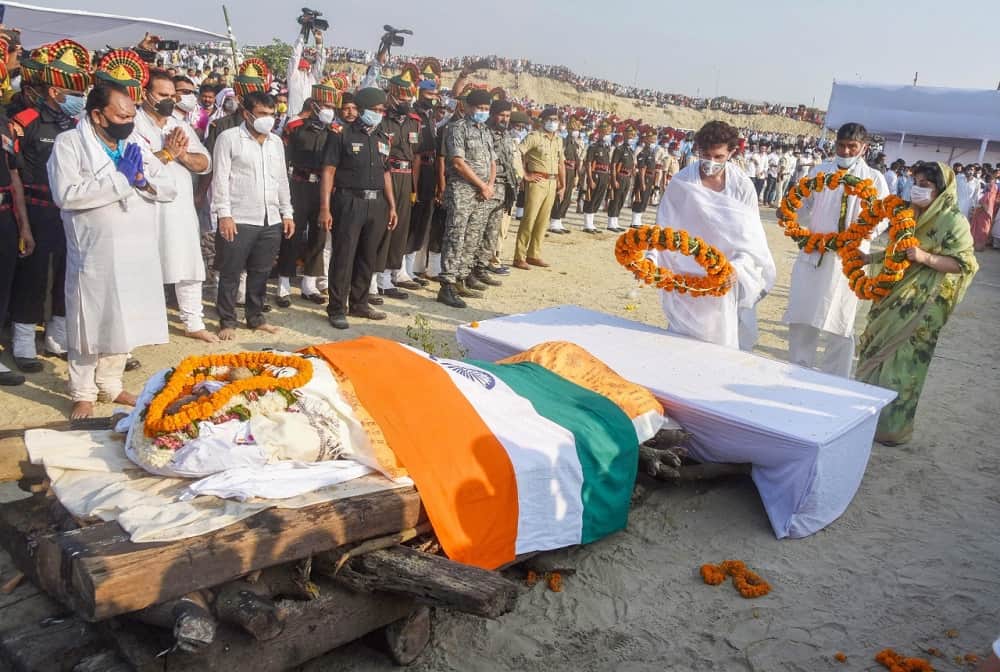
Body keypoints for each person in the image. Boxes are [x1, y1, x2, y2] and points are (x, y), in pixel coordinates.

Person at [48, 80, 178, 419]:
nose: (127, 120)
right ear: (97, 115)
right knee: (89, 321)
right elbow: (67, 194)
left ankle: (110, 383)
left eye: (131, 114)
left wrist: (142, 182)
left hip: (136, 247)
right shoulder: (69, 143)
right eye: (120, 115)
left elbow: (166, 185)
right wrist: (120, 180)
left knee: (125, 319)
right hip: (95, 249)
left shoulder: (133, 141)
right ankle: (83, 391)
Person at [856, 161, 978, 445]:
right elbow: (895, 252)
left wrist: (926, 258)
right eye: (916, 183)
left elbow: (964, 264)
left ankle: (890, 428)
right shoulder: (907, 214)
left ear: (941, 189)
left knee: (904, 365)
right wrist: (870, 259)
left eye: (926, 185)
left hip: (923, 304)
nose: (918, 189)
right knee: (875, 350)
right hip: (892, 295)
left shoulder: (953, 221)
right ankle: (862, 420)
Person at [653, 120, 775, 349]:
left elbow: (751, 241)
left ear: (731, 152)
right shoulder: (681, 182)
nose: (710, 162)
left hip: (722, 279)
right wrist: (651, 261)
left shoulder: (742, 187)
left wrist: (735, 269)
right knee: (679, 345)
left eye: (718, 156)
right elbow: (663, 230)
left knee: (718, 345)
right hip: (685, 278)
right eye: (705, 155)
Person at [8, 40, 91, 373]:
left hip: (69, 211)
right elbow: (16, 169)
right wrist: (24, 222)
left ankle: (58, 336)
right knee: (34, 274)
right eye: (73, 93)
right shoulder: (26, 120)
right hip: (36, 207)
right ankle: (24, 341)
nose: (78, 100)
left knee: (68, 274)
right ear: (56, 91)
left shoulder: (76, 125)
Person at [783, 123, 890, 377]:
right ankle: (797, 371)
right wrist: (788, 210)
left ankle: (836, 379)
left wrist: (864, 233)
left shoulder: (874, 178)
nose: (845, 150)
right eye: (841, 145)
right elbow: (802, 203)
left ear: (863, 148)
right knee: (803, 314)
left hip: (849, 259)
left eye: (852, 146)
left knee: (841, 321)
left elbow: (883, 216)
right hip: (814, 253)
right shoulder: (820, 172)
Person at [134, 68, 216, 343]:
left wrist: (181, 156)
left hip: (180, 208)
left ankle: (193, 322)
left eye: (172, 95)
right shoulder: (133, 123)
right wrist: (168, 153)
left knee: (189, 265)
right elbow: (136, 166)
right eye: (162, 95)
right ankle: (142, 328)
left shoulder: (178, 125)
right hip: (147, 207)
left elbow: (205, 163)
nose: (169, 100)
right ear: (146, 95)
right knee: (145, 267)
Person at [210, 90, 294, 340]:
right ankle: (227, 320)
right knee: (231, 270)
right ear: (246, 114)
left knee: (261, 270)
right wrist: (224, 214)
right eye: (262, 114)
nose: (268, 119)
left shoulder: (275, 142)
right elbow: (220, 179)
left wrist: (287, 212)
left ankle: (255, 317)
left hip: (271, 218)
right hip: (239, 216)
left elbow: (281, 180)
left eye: (272, 114)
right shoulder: (229, 139)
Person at [318, 87, 397, 328]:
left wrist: (392, 206)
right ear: (361, 110)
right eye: (375, 110)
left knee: (367, 255)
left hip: (377, 204)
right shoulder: (341, 134)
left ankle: (360, 303)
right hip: (349, 201)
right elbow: (328, 171)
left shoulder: (383, 137)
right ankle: (336, 307)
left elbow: (386, 173)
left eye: (382, 110)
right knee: (344, 255)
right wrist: (325, 207)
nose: (379, 114)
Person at [279, 76, 344, 307]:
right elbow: (283, 160)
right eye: (326, 106)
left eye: (332, 107)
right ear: (314, 105)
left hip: (322, 188)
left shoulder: (336, 132)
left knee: (319, 234)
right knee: (292, 234)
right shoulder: (294, 127)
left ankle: (309, 284)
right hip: (297, 184)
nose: (329, 111)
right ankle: (284, 284)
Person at [437, 87, 495, 306]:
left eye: (486, 108)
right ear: (469, 107)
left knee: (473, 236)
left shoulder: (485, 131)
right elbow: (458, 163)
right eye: (479, 108)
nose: (483, 112)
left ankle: (461, 277)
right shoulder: (456, 128)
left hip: (482, 192)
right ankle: (447, 285)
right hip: (462, 189)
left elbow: (492, 162)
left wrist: (489, 185)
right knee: (456, 235)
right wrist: (482, 185)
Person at [374, 73, 422, 300]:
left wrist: (414, 186)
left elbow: (418, 155)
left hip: (406, 176)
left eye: (408, 98)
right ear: (391, 96)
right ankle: (377, 280)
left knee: (400, 227)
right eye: (402, 98)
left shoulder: (415, 121)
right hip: (387, 173)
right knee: (384, 226)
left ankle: (391, 274)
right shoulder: (381, 119)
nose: (406, 102)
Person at [0, 99, 32, 386]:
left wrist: (23, 226)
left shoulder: (4, 124)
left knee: (2, 287)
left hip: (4, 215)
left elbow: (14, 177)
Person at [513, 107, 564, 268]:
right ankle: (519, 256)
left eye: (555, 119)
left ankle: (534, 254)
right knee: (529, 218)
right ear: (542, 120)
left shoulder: (558, 139)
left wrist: (563, 184)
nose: (553, 122)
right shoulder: (534, 137)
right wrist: (524, 174)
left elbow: (560, 162)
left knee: (543, 220)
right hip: (537, 180)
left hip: (552, 181)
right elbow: (518, 152)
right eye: (550, 119)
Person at [475, 98, 516, 289]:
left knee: (492, 234)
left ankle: (481, 268)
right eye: (502, 115)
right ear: (492, 114)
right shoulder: (484, 133)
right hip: (486, 188)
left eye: (508, 116)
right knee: (477, 232)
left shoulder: (506, 135)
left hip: (502, 190)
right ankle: (469, 271)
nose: (505, 119)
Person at [549, 115, 584, 234]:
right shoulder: (563, 141)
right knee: (559, 196)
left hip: (571, 172)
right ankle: (553, 221)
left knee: (567, 197)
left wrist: (576, 176)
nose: (576, 132)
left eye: (577, 130)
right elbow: (559, 159)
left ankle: (559, 220)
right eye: (574, 130)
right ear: (569, 130)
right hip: (563, 171)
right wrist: (559, 177)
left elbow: (576, 161)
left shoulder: (575, 143)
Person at [581, 120, 613, 234]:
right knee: (591, 198)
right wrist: (590, 178)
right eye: (605, 133)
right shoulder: (593, 147)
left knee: (598, 198)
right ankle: (587, 224)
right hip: (596, 174)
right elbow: (588, 163)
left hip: (604, 174)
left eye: (608, 133)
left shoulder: (607, 147)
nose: (607, 135)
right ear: (600, 133)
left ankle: (592, 223)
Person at [605, 130, 634, 232]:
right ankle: (610, 223)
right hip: (619, 176)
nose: (631, 139)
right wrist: (614, 179)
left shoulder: (631, 150)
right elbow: (613, 165)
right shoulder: (619, 149)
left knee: (621, 200)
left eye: (633, 137)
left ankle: (616, 221)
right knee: (615, 199)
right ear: (625, 137)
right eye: (630, 136)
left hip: (627, 177)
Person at [629, 129, 658, 228]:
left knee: (645, 199)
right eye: (651, 139)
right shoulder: (643, 153)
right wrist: (642, 183)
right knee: (639, 198)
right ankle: (634, 221)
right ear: (646, 139)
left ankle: (638, 219)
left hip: (649, 177)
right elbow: (641, 169)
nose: (654, 140)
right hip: (644, 177)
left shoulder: (651, 152)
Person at [969, 170, 997, 251]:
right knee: (982, 230)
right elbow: (982, 201)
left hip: (986, 212)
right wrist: (988, 212)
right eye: (991, 181)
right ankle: (978, 247)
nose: (992, 184)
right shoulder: (988, 190)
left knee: (983, 229)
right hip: (984, 213)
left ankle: (979, 246)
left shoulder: (993, 189)